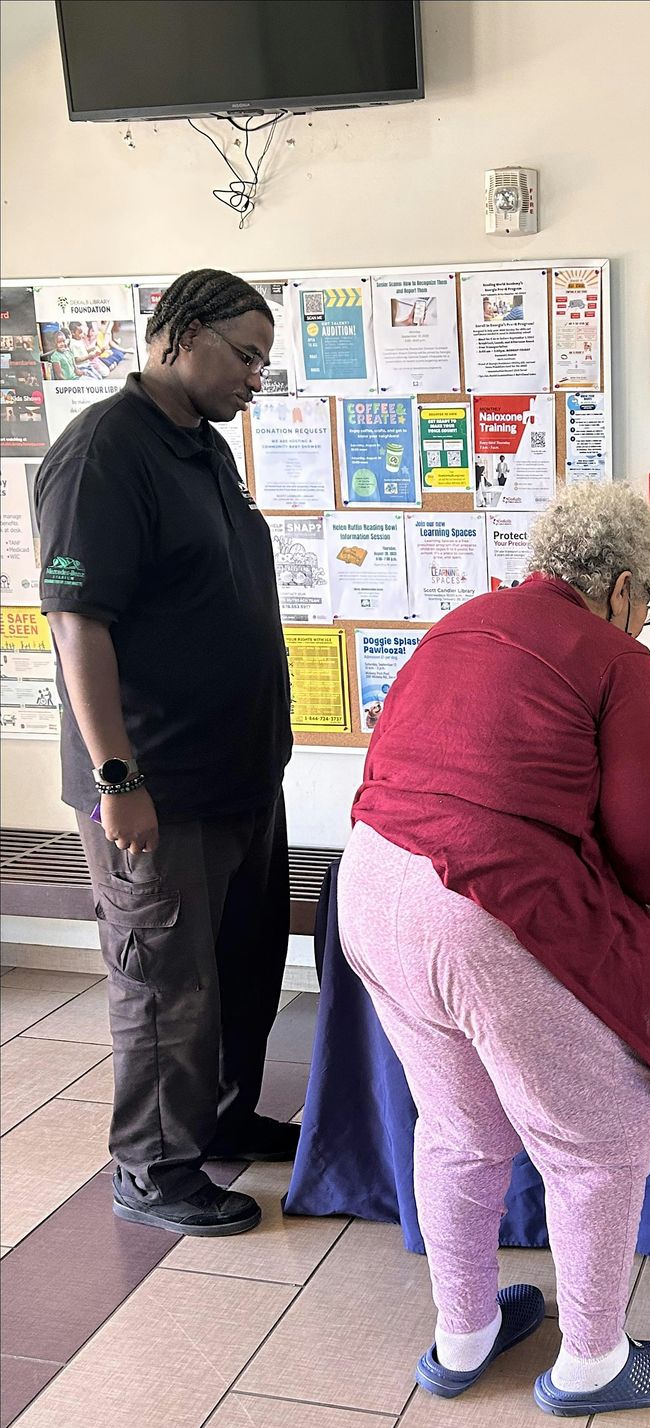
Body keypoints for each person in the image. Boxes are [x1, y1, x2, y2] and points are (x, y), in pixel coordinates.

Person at [339, 481, 650, 1417]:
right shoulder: (616, 657)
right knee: (600, 1138)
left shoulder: (462, 620)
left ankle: (462, 1336)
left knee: (460, 1126)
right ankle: (591, 1362)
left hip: (372, 884)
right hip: (481, 907)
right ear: (623, 586)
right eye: (648, 602)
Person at [37, 268, 295, 1239]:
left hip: (236, 776)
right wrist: (118, 779)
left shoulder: (202, 451)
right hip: (158, 786)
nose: (255, 378)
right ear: (179, 335)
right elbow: (77, 622)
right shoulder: (104, 452)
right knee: (164, 981)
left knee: (238, 965)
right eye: (244, 354)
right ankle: (153, 1166)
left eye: (264, 361)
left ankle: (221, 1116)